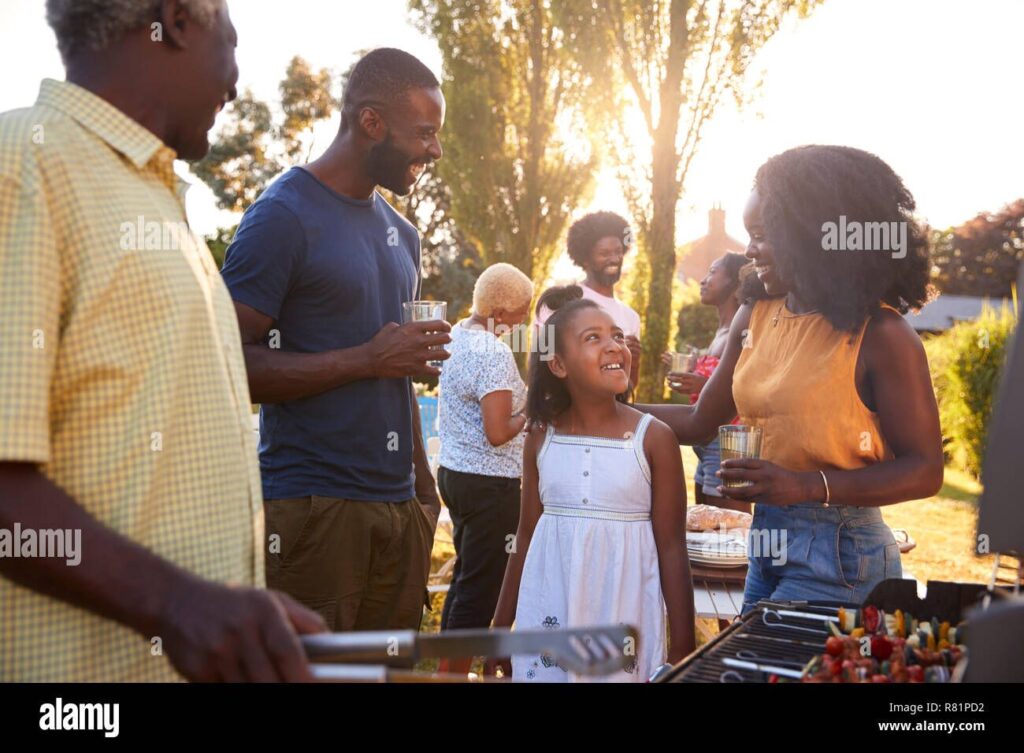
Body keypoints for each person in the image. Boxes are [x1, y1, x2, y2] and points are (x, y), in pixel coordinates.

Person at [0, 0, 326, 682]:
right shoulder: (22, 166)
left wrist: (229, 597)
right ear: (177, 20)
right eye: (231, 46)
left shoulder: (159, 201)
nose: (236, 85)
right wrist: (175, 600)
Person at [640, 145, 944, 612]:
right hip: (767, 538)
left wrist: (806, 486)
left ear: (812, 237)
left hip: (841, 553)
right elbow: (702, 421)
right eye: (749, 234)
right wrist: (600, 409)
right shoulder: (757, 311)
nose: (749, 250)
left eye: (763, 234)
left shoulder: (882, 335)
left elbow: (925, 470)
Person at [220, 48, 448, 633]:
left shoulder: (405, 237)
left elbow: (397, 370)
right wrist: (366, 360)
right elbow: (223, 363)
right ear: (372, 123)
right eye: (424, 133)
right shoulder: (282, 215)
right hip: (313, 511)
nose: (435, 150)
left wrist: (424, 496)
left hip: (399, 513)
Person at [492, 285, 695, 681]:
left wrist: (684, 648)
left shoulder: (654, 439)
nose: (614, 346)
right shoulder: (540, 436)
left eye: (617, 336)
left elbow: (672, 548)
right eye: (593, 338)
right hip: (551, 613)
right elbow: (526, 533)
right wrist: (501, 626)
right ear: (559, 365)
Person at [436, 263, 533, 674]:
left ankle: (445, 669)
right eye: (523, 309)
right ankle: (451, 674)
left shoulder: (458, 335)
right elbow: (499, 431)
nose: (526, 319)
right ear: (503, 308)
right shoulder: (492, 351)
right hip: (489, 485)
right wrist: (533, 408)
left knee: (464, 581)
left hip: (456, 476)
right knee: (479, 589)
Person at [663, 252, 750, 512]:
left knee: (730, 532)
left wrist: (702, 385)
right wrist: (694, 366)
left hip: (729, 442)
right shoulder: (722, 332)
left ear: (735, 284)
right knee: (705, 525)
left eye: (713, 272)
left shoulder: (745, 327)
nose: (703, 280)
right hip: (707, 441)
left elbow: (750, 382)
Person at [537, 211, 643, 389]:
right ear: (585, 260)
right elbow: (542, 362)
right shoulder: (562, 301)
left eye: (618, 251)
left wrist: (635, 361)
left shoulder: (631, 317)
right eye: (604, 253)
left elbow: (628, 387)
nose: (614, 259)